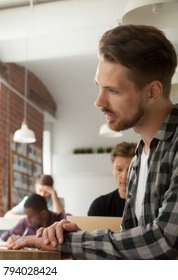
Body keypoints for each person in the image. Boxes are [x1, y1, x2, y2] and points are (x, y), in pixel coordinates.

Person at [10, 24, 178, 259]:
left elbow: (164, 241)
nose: (98, 102)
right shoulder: (141, 156)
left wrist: (73, 242)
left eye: (113, 90)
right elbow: (134, 242)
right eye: (99, 87)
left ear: (152, 92)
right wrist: (78, 236)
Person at [0, 194, 68, 248]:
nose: (27, 219)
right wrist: (7, 243)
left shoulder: (64, 218)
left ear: (43, 213)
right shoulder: (24, 222)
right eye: (26, 215)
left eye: (30, 216)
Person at [87, 142, 136, 217]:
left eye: (130, 170)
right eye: (119, 169)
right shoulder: (100, 205)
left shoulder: (149, 205)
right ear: (113, 170)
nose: (124, 176)